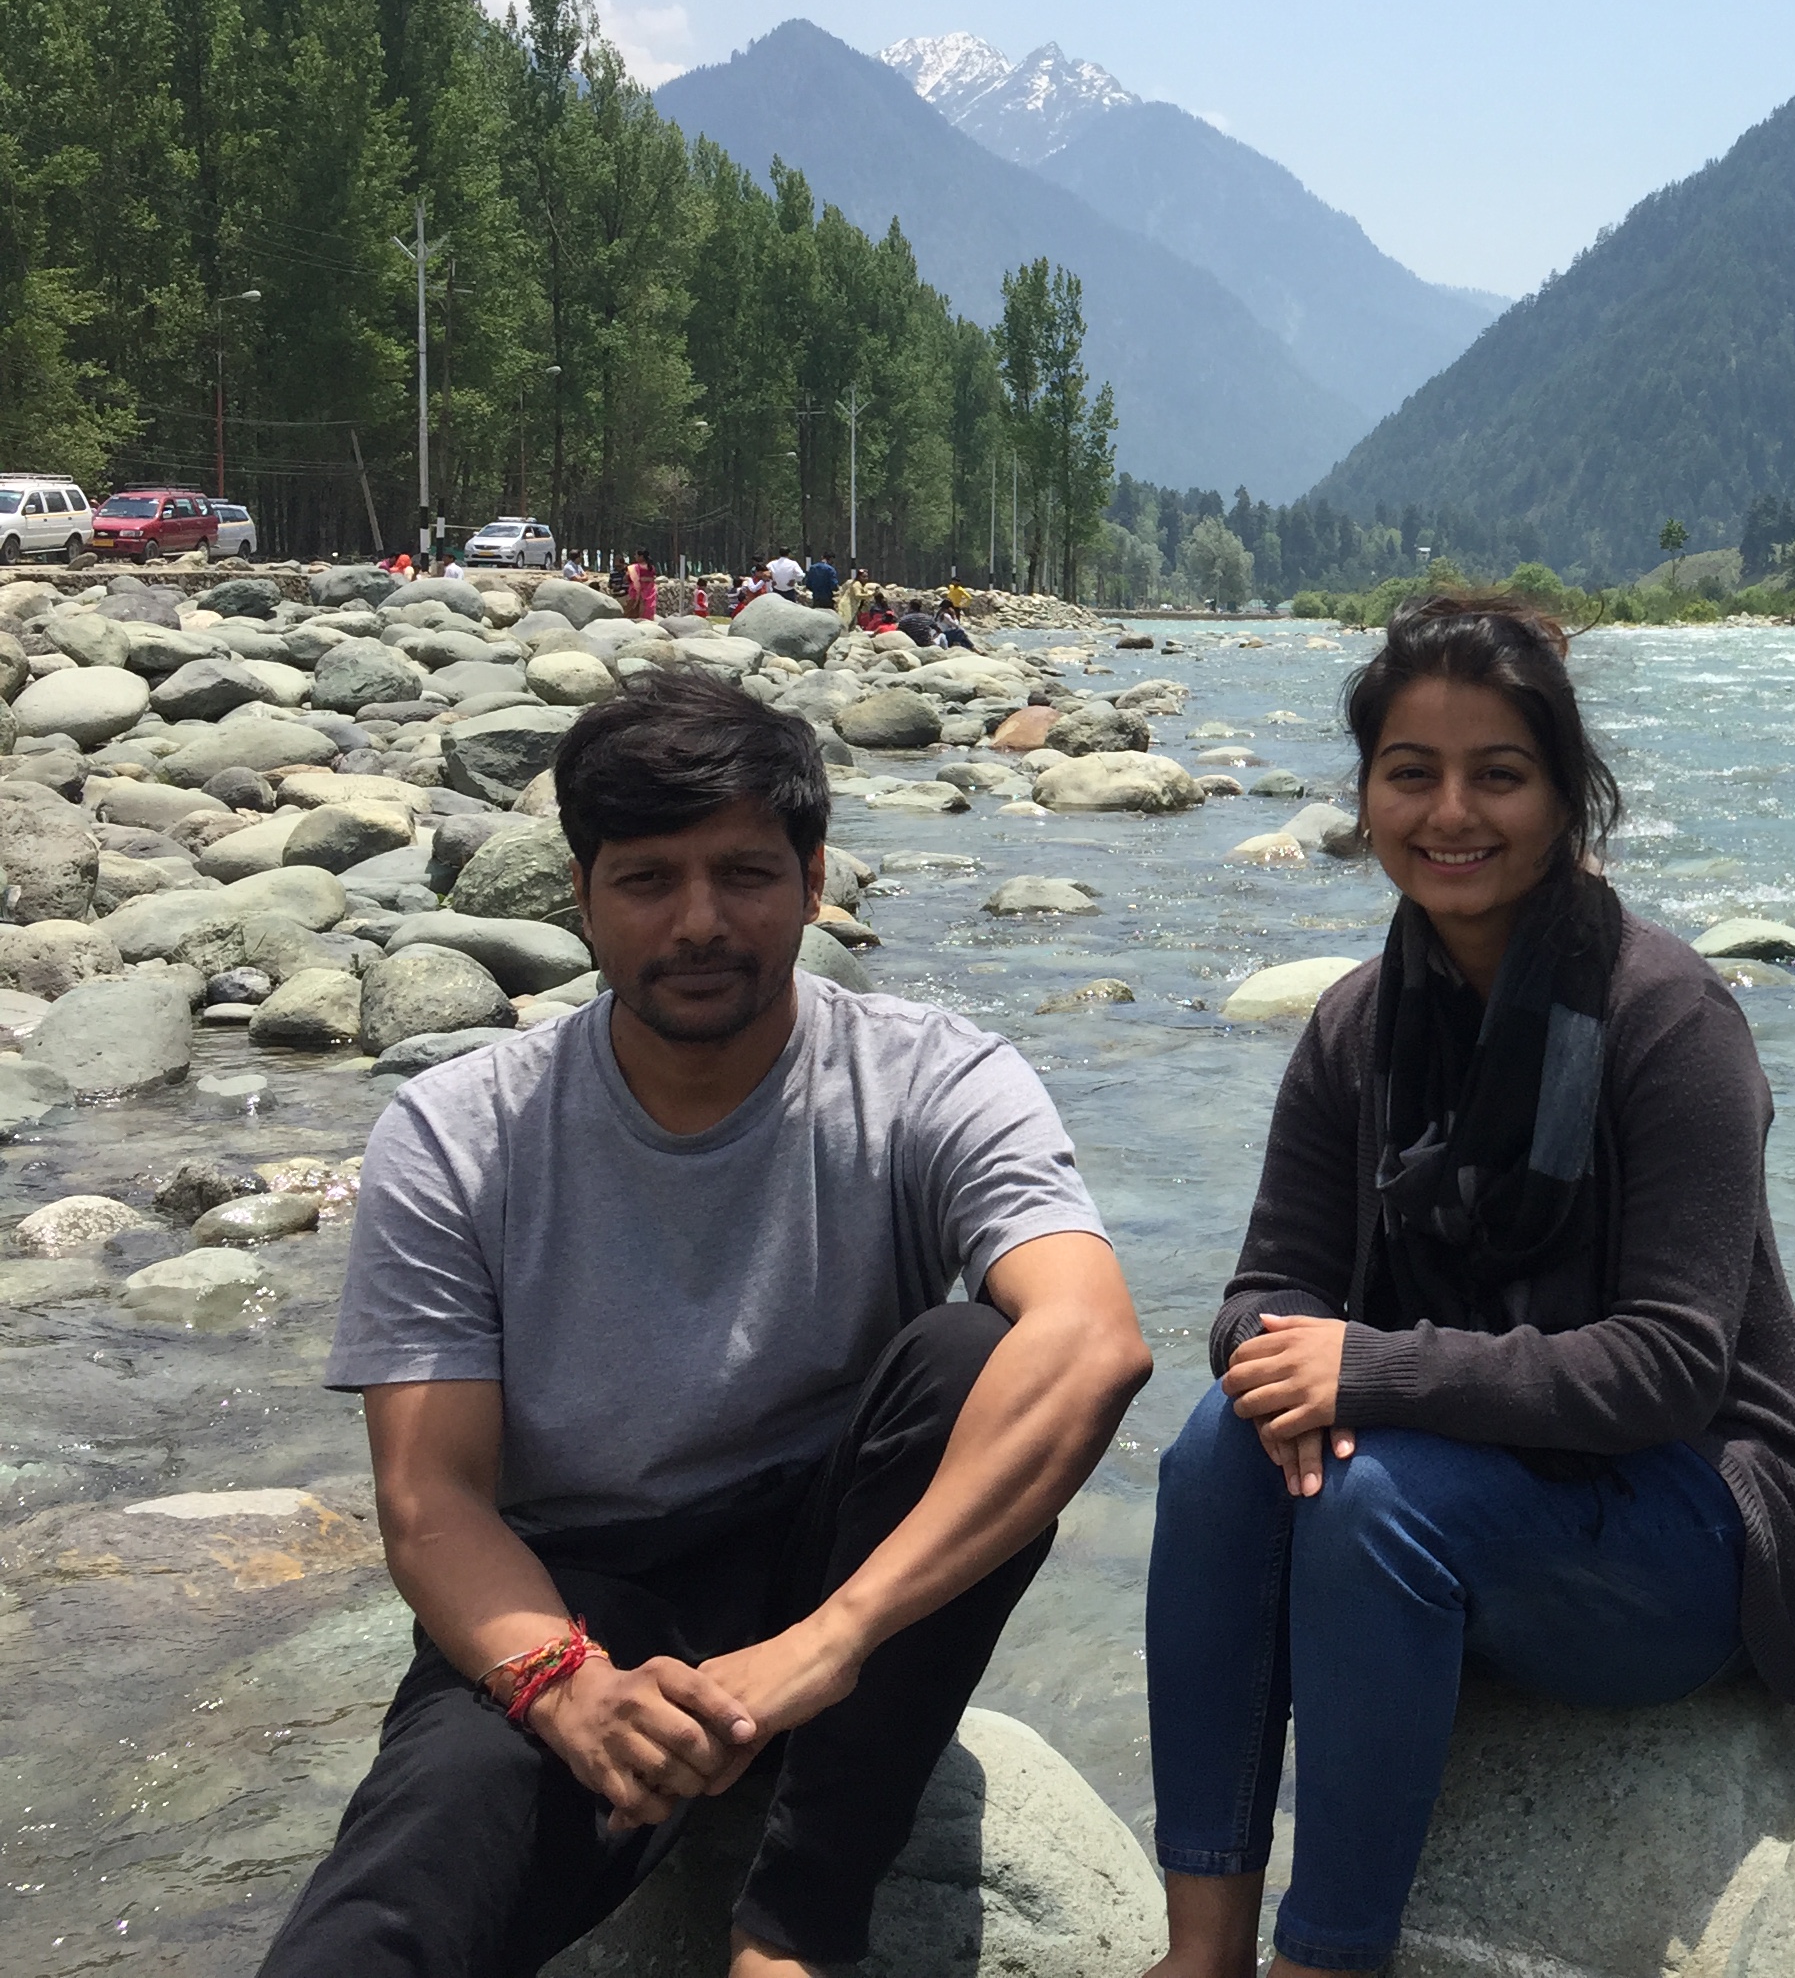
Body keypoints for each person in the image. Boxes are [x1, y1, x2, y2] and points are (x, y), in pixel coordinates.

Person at [262, 670, 1155, 1978]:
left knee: (977, 1358)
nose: (698, 923)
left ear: (813, 877)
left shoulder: (931, 1079)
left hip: (833, 1572)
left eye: (743, 874)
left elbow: (1095, 1339)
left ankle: (797, 1923)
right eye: (645, 881)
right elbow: (433, 1504)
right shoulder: (460, 1135)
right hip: (573, 1597)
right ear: (579, 898)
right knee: (395, 1904)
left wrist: (825, 1647)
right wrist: (566, 1688)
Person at [1142, 593, 1795, 1978]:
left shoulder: (1668, 1019)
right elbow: (1264, 1288)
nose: (1451, 813)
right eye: (1413, 774)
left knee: (1374, 1500)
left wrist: (1369, 1368)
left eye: (1499, 776)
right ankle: (1204, 1940)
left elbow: (1669, 1366)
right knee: (1216, 1449)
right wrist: (1288, 1360)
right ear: (1366, 795)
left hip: (1695, 1519)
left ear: (1567, 796)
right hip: (1485, 1485)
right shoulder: (1358, 1025)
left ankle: (1327, 1957)